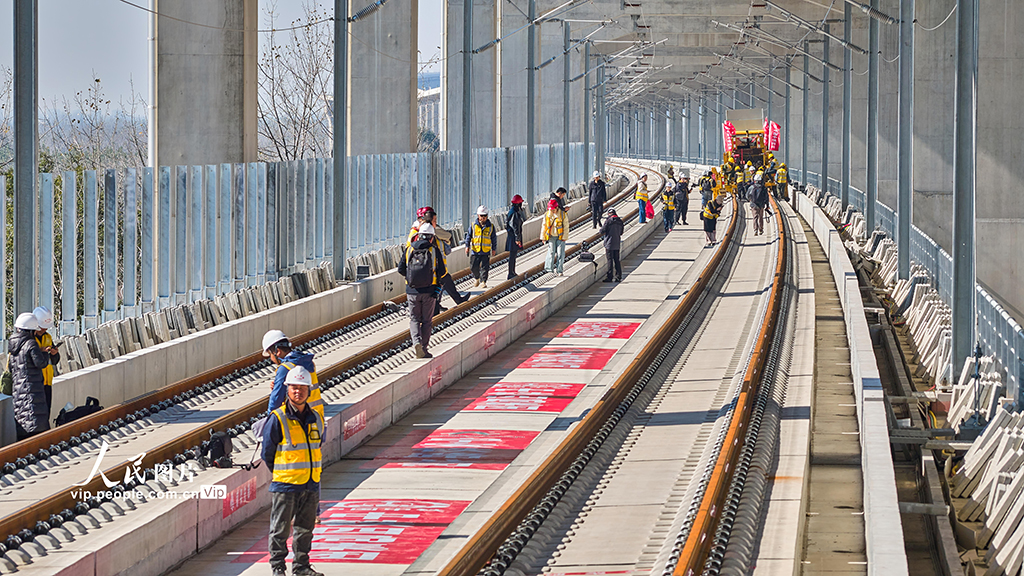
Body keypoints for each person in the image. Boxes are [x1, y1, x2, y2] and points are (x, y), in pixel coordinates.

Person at [262, 365, 325, 576]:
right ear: (287, 390)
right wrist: (283, 472)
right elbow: (267, 453)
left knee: (305, 530)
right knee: (280, 530)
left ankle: (301, 567)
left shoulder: (315, 418)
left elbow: (316, 447)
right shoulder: (277, 418)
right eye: (294, 388)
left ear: (308, 390)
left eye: (302, 388)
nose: (298, 392)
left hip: (310, 483)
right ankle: (278, 568)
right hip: (285, 484)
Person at [398, 223, 447, 358]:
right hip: (429, 291)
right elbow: (442, 272)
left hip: (412, 291)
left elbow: (400, 269)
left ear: (418, 236)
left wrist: (411, 278)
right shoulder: (434, 250)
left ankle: (416, 342)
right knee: (426, 321)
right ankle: (424, 349)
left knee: (414, 319)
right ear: (431, 238)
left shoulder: (409, 250)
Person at [409, 206, 468, 309]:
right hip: (429, 267)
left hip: (432, 267)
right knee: (440, 284)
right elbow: (447, 237)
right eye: (435, 220)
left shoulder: (428, 232)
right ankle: (452, 302)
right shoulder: (423, 232)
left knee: (442, 283)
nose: (436, 223)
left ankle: (445, 303)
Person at [262, 330, 323, 420]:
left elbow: (276, 400)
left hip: (297, 419)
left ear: (277, 351)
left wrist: (270, 420)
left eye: (270, 354)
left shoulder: (285, 368)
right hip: (317, 417)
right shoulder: (308, 362)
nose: (271, 358)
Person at [10, 312, 50, 440]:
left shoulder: (13, 345)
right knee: (35, 423)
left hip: (18, 390)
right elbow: (41, 363)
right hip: (32, 389)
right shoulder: (31, 344)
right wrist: (46, 353)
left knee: (23, 421)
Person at [32, 306, 59, 414]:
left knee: (46, 412)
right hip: (35, 383)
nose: (45, 329)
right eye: (43, 326)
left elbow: (54, 361)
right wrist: (41, 351)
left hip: (47, 382)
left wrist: (54, 354)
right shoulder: (29, 339)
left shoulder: (48, 337)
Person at [465, 205, 497, 289]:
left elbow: (494, 238)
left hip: (485, 251)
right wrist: (467, 246)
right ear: (478, 216)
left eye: (485, 216)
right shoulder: (473, 226)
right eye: (481, 216)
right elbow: (468, 236)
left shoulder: (491, 227)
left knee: (485, 267)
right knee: (473, 266)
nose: (483, 218)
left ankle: (483, 281)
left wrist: (494, 249)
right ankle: (477, 278)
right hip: (475, 250)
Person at [541, 198, 568, 275]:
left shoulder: (562, 214)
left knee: (560, 253)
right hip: (551, 236)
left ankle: (559, 270)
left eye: (553, 209)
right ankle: (549, 269)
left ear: (557, 208)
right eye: (551, 209)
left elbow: (566, 226)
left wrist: (564, 237)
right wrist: (543, 237)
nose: (552, 211)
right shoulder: (547, 215)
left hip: (560, 237)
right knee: (551, 252)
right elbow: (544, 226)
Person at [505, 195, 526, 279]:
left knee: (513, 255)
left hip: (512, 237)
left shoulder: (513, 211)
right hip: (513, 237)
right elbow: (515, 226)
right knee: (512, 256)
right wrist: (517, 239)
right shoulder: (514, 213)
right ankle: (511, 273)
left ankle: (512, 272)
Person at [601, 208, 624, 283]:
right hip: (617, 243)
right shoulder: (620, 221)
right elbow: (621, 232)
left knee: (610, 260)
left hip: (609, 243)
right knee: (616, 259)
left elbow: (602, 231)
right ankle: (618, 276)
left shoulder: (608, 221)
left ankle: (610, 276)